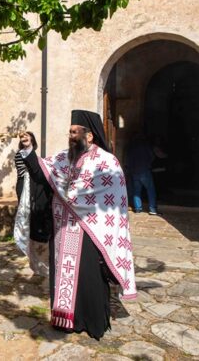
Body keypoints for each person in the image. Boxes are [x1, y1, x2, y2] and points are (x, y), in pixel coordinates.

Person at [19, 109, 137, 340]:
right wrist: (28, 149)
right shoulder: (64, 158)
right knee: (63, 276)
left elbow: (107, 198)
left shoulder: (106, 162)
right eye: (69, 132)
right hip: (63, 230)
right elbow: (42, 174)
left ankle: (91, 322)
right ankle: (65, 321)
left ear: (89, 136)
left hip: (91, 232)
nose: (70, 136)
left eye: (74, 132)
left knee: (89, 278)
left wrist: (71, 197)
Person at [13, 132, 50, 277]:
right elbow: (31, 170)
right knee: (26, 214)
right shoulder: (20, 154)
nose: (26, 140)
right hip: (25, 186)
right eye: (24, 138)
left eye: (29, 137)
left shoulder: (33, 154)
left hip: (33, 186)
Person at [125, 134, 161, 215]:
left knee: (136, 191)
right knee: (150, 190)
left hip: (134, 172)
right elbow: (152, 156)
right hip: (145, 170)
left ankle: (138, 209)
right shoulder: (145, 146)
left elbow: (128, 160)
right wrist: (148, 164)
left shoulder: (131, 147)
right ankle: (153, 209)